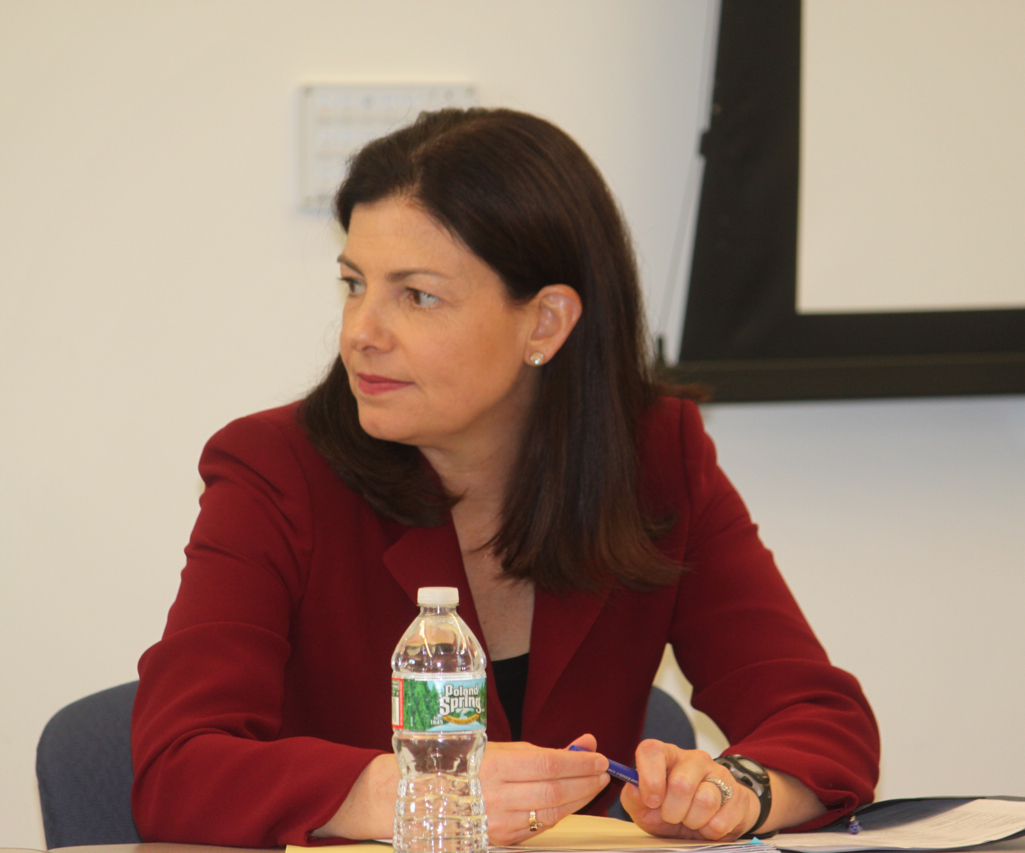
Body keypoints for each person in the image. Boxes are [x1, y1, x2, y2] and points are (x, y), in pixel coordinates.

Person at [130, 108, 879, 849]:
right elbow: (176, 765)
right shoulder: (275, 469)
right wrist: (408, 793)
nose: (361, 331)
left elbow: (821, 719)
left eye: (416, 295)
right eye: (355, 283)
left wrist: (733, 790)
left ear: (545, 323)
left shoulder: (656, 457)